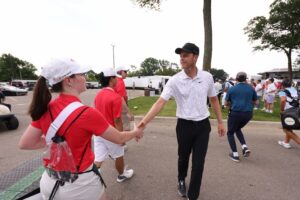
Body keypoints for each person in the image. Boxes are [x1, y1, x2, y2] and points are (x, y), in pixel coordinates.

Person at [18, 58, 143, 200]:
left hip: (49, 182)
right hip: (80, 186)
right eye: (82, 74)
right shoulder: (86, 113)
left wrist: (57, 142)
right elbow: (119, 138)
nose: (86, 78)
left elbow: (25, 143)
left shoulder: (46, 108)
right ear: (68, 81)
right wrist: (136, 132)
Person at [138, 43, 225, 200]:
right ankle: (181, 179)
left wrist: (220, 122)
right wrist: (143, 123)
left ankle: (193, 196)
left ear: (195, 57)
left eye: (185, 55)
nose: (181, 58)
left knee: (198, 163)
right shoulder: (175, 80)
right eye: (180, 55)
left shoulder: (207, 77)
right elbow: (160, 103)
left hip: (203, 126)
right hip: (184, 126)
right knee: (183, 157)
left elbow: (214, 100)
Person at [94, 67, 134, 183]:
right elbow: (117, 121)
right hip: (111, 133)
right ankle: (121, 175)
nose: (117, 79)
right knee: (119, 155)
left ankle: (91, 179)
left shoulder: (98, 95)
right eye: (115, 77)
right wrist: (121, 138)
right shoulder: (115, 97)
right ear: (111, 79)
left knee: (98, 159)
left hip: (98, 132)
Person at [225, 72, 258, 162]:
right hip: (248, 113)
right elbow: (256, 102)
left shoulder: (232, 89)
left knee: (230, 133)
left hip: (236, 113)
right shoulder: (251, 88)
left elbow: (226, 103)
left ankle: (235, 154)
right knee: (237, 129)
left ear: (236, 79)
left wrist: (232, 103)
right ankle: (244, 146)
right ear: (245, 79)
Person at [278, 78, 300, 148]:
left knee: (286, 129)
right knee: (289, 126)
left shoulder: (282, 91)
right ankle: (286, 143)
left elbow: (283, 100)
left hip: (289, 112)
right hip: (298, 110)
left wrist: (281, 110)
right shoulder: (295, 89)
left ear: (282, 85)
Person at [114, 66, 133, 131]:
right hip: (121, 108)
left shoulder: (116, 80)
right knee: (125, 129)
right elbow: (121, 98)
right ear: (120, 72)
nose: (126, 73)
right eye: (125, 72)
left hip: (117, 107)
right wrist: (128, 111)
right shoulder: (120, 82)